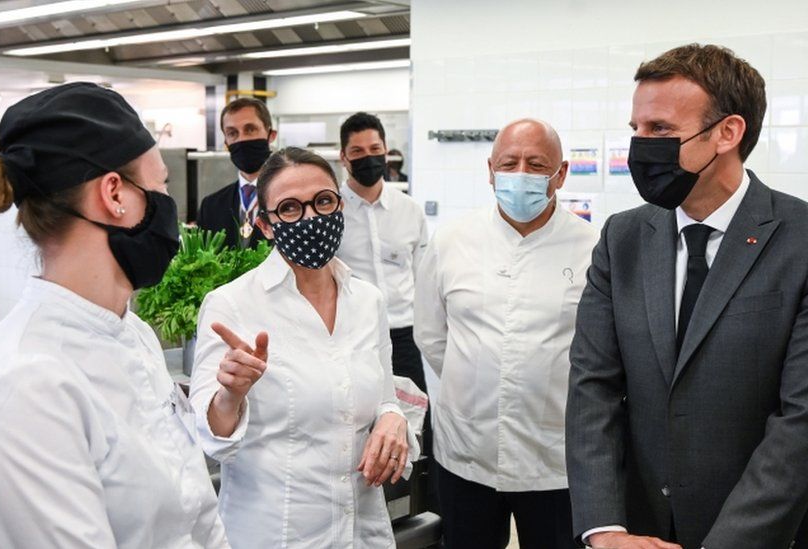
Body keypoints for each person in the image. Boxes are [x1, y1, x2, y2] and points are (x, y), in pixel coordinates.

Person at [566, 44, 808, 549]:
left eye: (660, 130)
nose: (640, 146)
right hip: (638, 532)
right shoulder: (623, 238)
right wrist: (605, 529)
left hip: (767, 534)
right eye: (636, 129)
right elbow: (592, 388)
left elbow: (805, 422)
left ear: (727, 132)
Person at [0, 83, 227, 548]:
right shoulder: (24, 383)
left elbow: (198, 519)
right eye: (160, 186)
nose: (170, 209)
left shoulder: (132, 334)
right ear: (115, 194)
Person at [189, 147, 419, 547]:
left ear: (340, 204)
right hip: (276, 533)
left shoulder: (367, 302)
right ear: (265, 225)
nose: (311, 217)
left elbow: (384, 399)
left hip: (361, 530)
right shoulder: (233, 305)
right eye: (291, 209)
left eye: (323, 201)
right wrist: (231, 395)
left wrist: (392, 418)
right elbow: (212, 439)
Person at [414, 118, 598, 549]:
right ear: (490, 169)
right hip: (466, 452)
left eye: (536, 165)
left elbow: (600, 352)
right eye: (509, 163)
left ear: (562, 174)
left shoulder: (592, 246)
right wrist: (483, 374)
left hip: (554, 456)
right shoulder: (452, 240)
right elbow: (432, 335)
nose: (520, 175)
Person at [336, 113, 429, 394]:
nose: (368, 157)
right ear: (343, 157)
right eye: (357, 151)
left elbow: (423, 275)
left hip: (403, 335)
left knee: (415, 420)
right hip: (350, 336)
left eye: (375, 150)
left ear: (386, 151)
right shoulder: (331, 212)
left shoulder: (409, 210)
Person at [196, 97, 276, 249]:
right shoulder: (211, 206)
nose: (242, 139)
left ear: (271, 135)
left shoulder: (292, 200)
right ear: (226, 143)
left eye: (250, 129)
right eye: (232, 133)